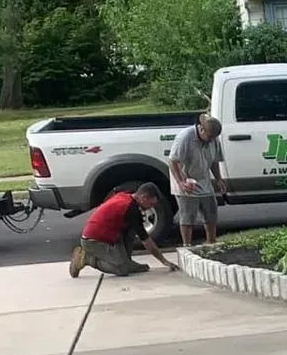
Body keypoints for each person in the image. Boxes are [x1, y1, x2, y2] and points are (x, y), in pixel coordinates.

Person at [68, 183, 176, 277]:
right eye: (151, 204)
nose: (150, 207)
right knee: (122, 269)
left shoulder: (127, 196)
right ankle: (86, 258)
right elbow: (146, 240)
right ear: (144, 197)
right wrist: (164, 261)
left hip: (109, 236)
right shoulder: (131, 209)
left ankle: (127, 262)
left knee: (132, 229)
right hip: (93, 241)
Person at [168, 113, 227, 247]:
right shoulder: (185, 137)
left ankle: (211, 241)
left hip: (203, 178)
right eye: (209, 137)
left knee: (211, 211)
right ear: (201, 129)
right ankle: (187, 245)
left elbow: (215, 161)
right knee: (188, 215)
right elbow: (173, 161)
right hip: (185, 178)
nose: (211, 140)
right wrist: (181, 182)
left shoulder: (213, 139)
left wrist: (218, 179)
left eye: (214, 138)